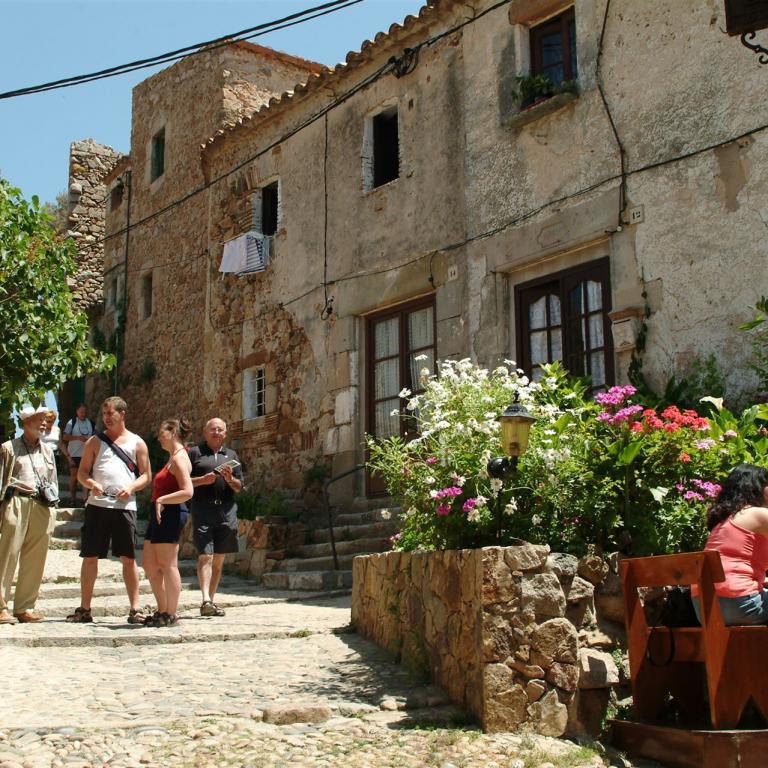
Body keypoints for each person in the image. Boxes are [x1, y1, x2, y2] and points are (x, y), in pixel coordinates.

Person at [66, 396, 151, 624]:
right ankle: (85, 608)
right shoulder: (94, 442)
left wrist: (131, 488)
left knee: (129, 558)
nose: (106, 418)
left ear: (122, 414)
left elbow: (146, 475)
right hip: (97, 506)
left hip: (125, 507)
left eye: (110, 413)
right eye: (104, 414)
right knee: (90, 556)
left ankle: (135, 609)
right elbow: (82, 472)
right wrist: (91, 484)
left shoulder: (137, 443)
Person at [0, 405, 59, 623]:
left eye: (46, 419)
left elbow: (52, 479)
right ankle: (0, 606)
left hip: (42, 505)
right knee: (7, 554)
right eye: (39, 419)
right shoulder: (8, 448)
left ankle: (24, 607)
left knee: (36, 558)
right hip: (16, 501)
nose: (44, 423)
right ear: (26, 423)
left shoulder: (48, 451)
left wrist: (53, 508)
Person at [691, 463, 768, 626]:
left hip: (703, 609)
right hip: (741, 604)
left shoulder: (722, 522)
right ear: (757, 487)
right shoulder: (759, 514)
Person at [189, 418, 243, 617]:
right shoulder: (195, 453)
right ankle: (205, 599)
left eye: (220, 430)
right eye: (213, 429)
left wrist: (230, 479)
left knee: (219, 559)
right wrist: (202, 480)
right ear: (205, 432)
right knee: (206, 555)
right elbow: (183, 482)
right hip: (202, 509)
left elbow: (240, 487)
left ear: (225, 434)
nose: (216, 432)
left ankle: (210, 602)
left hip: (226, 510)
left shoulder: (231, 455)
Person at [142, 419, 193, 627]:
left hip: (170, 513)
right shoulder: (173, 457)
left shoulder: (179, 458)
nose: (158, 437)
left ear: (173, 433)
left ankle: (171, 613)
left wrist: (162, 499)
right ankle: (162, 609)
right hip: (159, 512)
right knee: (150, 564)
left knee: (168, 564)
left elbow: (188, 491)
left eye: (162, 432)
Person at [63, 403, 95, 508]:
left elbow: (95, 437)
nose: (83, 414)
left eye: (85, 412)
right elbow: (65, 437)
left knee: (86, 476)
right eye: (81, 412)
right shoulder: (71, 422)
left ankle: (85, 500)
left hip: (87, 454)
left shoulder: (91, 423)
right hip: (74, 454)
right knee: (74, 477)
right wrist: (77, 438)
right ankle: (72, 500)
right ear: (77, 412)